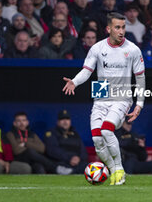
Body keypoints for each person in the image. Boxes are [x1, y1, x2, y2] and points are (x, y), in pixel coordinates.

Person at [62, 12, 146, 185]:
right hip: (101, 93)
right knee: (97, 139)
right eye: (117, 27)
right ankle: (113, 169)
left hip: (122, 95)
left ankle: (119, 169)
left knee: (107, 130)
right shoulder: (98, 48)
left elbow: (140, 78)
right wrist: (75, 82)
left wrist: (139, 104)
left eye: (123, 27)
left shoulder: (133, 50)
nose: (121, 31)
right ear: (109, 29)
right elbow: (87, 70)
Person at [7, 112, 73, 174]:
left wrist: (25, 144)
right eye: (18, 121)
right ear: (14, 123)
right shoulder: (11, 134)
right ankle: (56, 168)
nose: (21, 123)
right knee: (30, 151)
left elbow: (42, 148)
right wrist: (32, 146)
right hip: (19, 159)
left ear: (27, 122)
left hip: (32, 160)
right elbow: (16, 150)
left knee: (39, 167)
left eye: (24, 120)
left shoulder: (32, 134)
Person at [44, 110, 87, 174]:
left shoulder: (75, 134)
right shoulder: (51, 133)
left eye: (67, 119)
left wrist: (78, 158)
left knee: (90, 167)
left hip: (78, 164)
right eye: (62, 119)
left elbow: (83, 151)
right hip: (61, 163)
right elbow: (52, 150)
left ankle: (73, 172)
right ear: (58, 122)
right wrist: (69, 158)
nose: (65, 121)